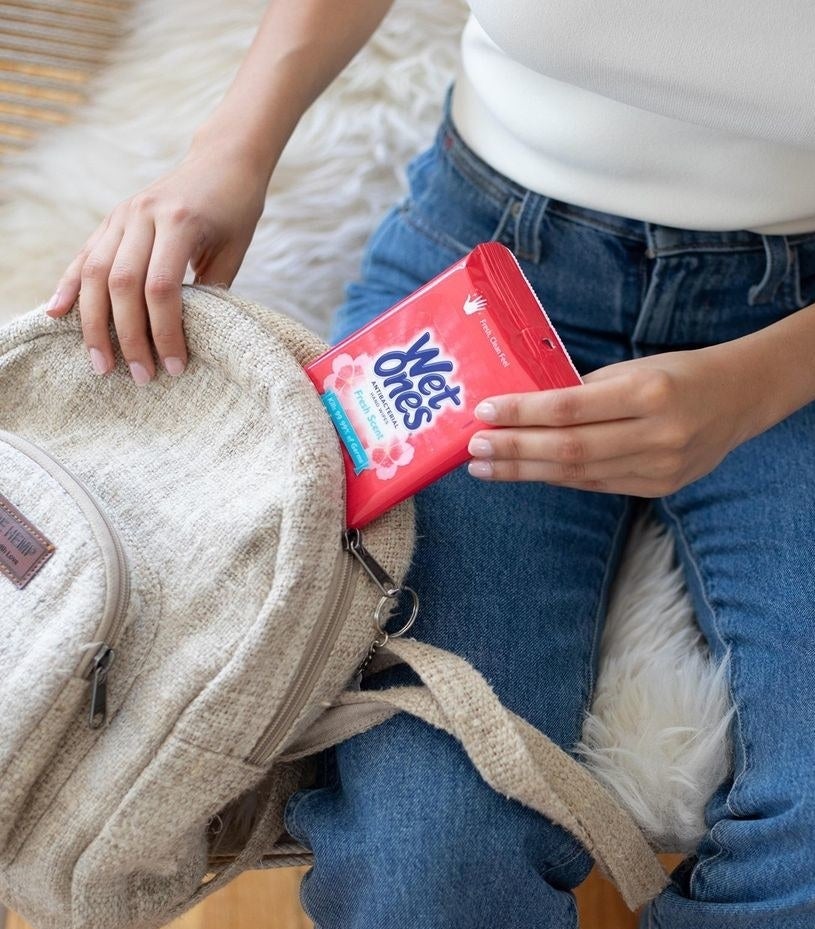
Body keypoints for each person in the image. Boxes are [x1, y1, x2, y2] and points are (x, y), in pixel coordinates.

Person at [45, 2, 815, 926]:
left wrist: (760, 383)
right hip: (481, 272)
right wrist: (229, 149)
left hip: (796, 331)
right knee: (422, 869)